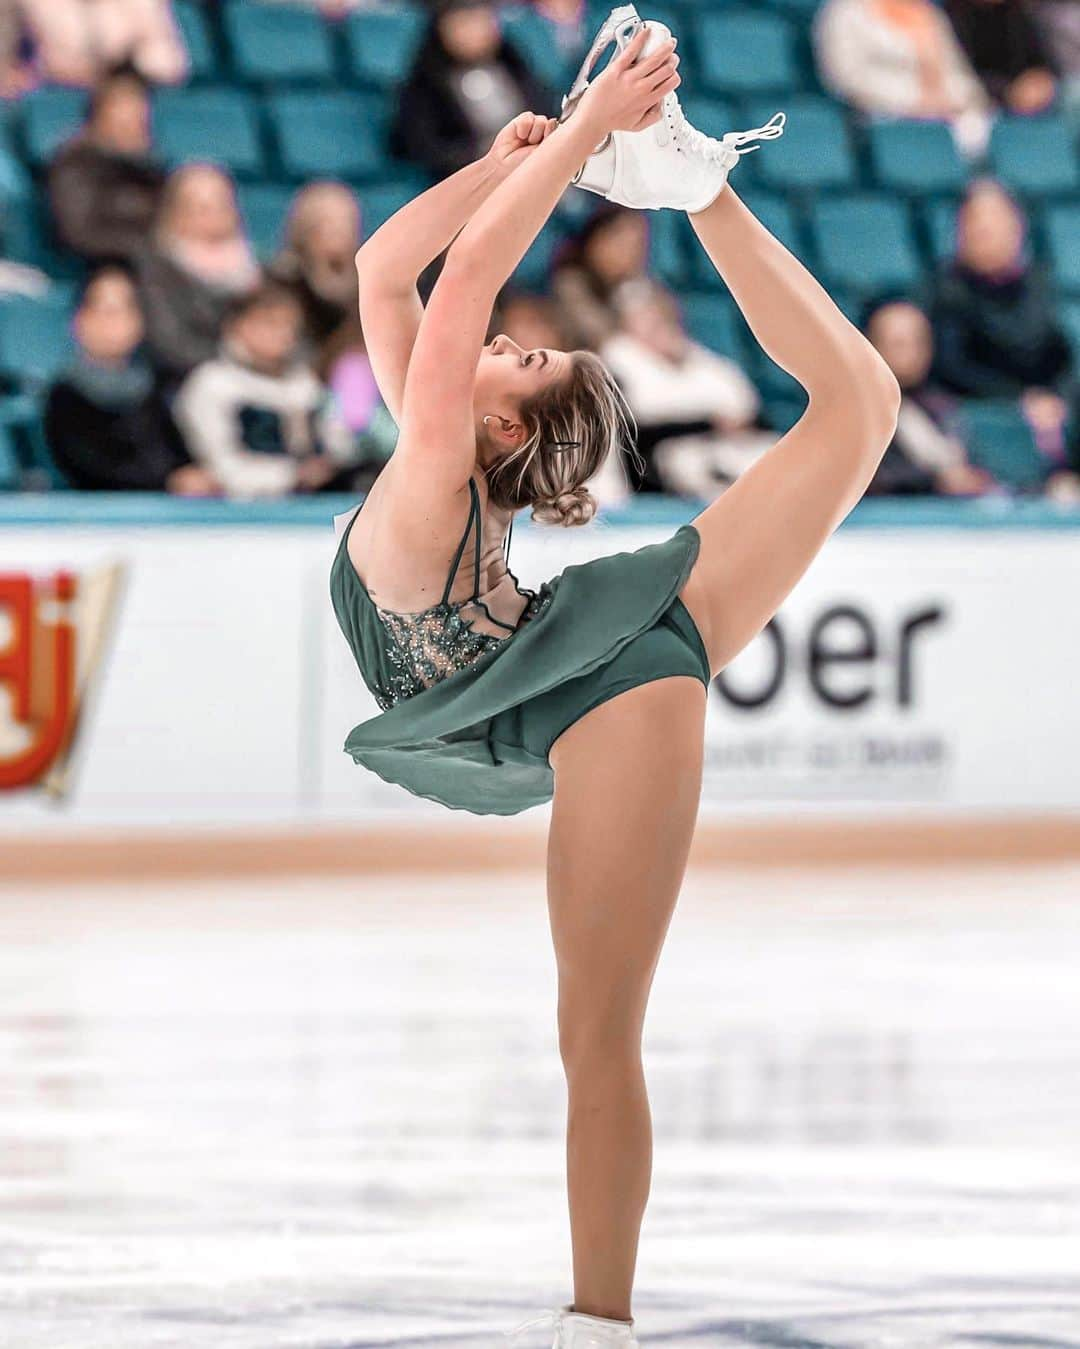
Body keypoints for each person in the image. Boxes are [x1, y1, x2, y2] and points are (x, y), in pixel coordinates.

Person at [329, 10, 898, 1342]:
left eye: (522, 358)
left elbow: (453, 285)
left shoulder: (435, 451)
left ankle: (598, 1321)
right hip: (551, 653)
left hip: (613, 678)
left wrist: (591, 137)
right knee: (862, 408)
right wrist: (525, 151)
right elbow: (384, 270)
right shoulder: (433, 446)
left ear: (499, 417)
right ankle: (686, 178)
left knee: (596, 1031)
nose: (501, 339)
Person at [929, 179, 1075, 459]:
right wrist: (1020, 399)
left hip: (1045, 408)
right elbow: (950, 366)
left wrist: (1055, 396)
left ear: (1017, 227)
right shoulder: (944, 291)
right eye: (975, 220)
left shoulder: (1039, 284)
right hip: (980, 414)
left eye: (995, 219)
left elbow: (1061, 354)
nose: (984, 229)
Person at [173, 279, 357, 499]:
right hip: (239, 513)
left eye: (290, 325)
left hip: (313, 504)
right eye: (270, 323)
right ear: (237, 325)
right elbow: (220, 466)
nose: (283, 335)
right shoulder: (213, 383)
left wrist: (330, 465)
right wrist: (291, 476)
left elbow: (339, 443)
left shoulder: (306, 384)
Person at [43, 265, 214, 494]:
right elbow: (86, 467)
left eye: (127, 308)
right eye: (106, 310)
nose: (116, 322)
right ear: (79, 320)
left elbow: (180, 454)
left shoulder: (158, 386)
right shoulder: (64, 395)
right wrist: (167, 482)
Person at [600, 277, 776, 498]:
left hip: (729, 448)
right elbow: (635, 429)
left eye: (658, 313)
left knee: (771, 455)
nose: (655, 322)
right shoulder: (618, 358)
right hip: (665, 460)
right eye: (642, 316)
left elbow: (750, 414)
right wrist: (708, 423)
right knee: (688, 463)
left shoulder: (704, 360)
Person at [391, 0, 552, 179]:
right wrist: (491, 159)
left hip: (532, 163)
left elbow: (543, 111)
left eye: (483, 22)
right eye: (464, 23)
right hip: (473, 177)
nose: (475, 33)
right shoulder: (425, 82)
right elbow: (424, 147)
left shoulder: (513, 65)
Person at [136, 163, 260, 384]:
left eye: (222, 206)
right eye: (201, 208)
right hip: (187, 385)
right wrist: (234, 362)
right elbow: (169, 344)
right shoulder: (156, 269)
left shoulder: (257, 270)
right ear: (175, 213)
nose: (214, 216)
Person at [814, 0, 992, 154]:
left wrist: (949, 100)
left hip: (947, 118)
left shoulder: (931, 15)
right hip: (880, 118)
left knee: (986, 132)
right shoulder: (845, 13)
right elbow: (847, 78)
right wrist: (915, 101)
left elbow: (962, 78)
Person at [864, 297, 992, 494]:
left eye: (919, 342)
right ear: (872, 345)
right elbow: (864, 478)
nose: (913, 353)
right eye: (899, 344)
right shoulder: (859, 413)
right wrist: (935, 482)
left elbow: (974, 464)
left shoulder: (942, 406)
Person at [48, 64, 165, 267]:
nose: (136, 116)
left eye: (140, 107)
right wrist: (152, 249)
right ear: (98, 115)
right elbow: (80, 233)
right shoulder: (76, 165)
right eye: (122, 107)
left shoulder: (153, 171)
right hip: (100, 274)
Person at [270, 181, 363, 363]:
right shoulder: (284, 281)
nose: (340, 231)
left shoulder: (366, 280)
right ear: (306, 227)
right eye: (329, 223)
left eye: (346, 222)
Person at [17, 0, 188, 87]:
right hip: (62, 96)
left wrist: (121, 69)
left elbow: (170, 65)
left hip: (137, 91)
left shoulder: (143, 4)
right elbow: (51, 62)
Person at [551, 204, 650, 348]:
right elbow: (604, 339)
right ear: (596, 241)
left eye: (637, 246)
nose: (630, 255)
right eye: (622, 245)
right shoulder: (569, 283)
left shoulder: (634, 285)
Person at [944, 0, 1058, 113]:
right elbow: (957, 78)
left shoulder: (1016, 13)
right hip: (973, 108)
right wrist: (1008, 93)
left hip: (1023, 109)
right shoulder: (951, 16)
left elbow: (1042, 67)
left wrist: (1038, 82)